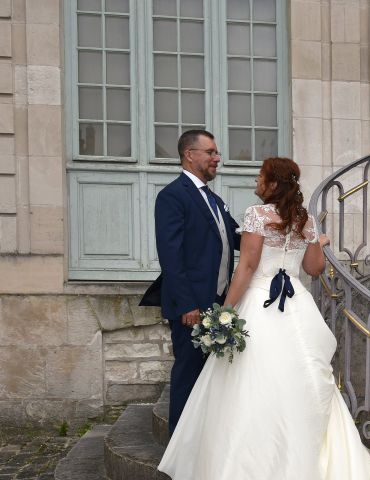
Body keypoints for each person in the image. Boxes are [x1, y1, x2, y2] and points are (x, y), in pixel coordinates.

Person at [158, 157, 370, 479]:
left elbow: (248, 267)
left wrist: (226, 310)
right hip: (296, 301)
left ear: (271, 184)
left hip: (260, 300)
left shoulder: (257, 215)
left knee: (251, 381)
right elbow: (314, 269)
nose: (256, 182)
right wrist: (317, 243)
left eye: (259, 177)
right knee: (301, 374)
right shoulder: (304, 219)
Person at [145, 129, 241, 434]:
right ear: (190, 155)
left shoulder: (213, 199)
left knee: (210, 377)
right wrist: (187, 304)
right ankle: (179, 450)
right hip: (192, 308)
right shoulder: (172, 196)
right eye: (210, 152)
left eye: (216, 153)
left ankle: (204, 441)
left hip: (218, 304)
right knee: (188, 375)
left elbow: (238, 238)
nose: (217, 158)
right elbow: (171, 257)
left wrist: (281, 227)